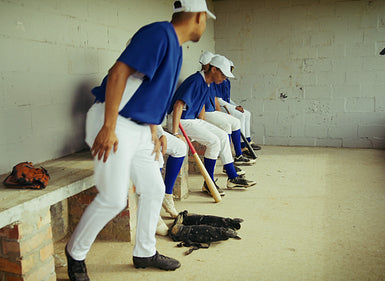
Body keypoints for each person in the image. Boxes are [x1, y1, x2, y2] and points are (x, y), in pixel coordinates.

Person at [65, 1, 215, 280]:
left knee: (154, 188)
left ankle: (145, 252)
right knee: (113, 198)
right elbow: (118, 73)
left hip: (139, 127)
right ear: (198, 16)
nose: (205, 24)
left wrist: (156, 131)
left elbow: (146, 93)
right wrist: (109, 127)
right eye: (205, 19)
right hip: (113, 120)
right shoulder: (160, 33)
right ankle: (75, 254)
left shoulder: (176, 48)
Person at [168, 55, 256, 198]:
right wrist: (175, 132)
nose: (224, 78)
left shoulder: (206, 82)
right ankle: (208, 184)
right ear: (213, 69)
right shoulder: (195, 80)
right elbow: (178, 105)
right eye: (223, 74)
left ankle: (232, 177)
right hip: (180, 120)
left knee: (221, 135)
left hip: (192, 119)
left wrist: (203, 124)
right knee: (214, 141)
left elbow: (201, 106)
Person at [200, 53, 256, 165]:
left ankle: (239, 153)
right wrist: (202, 121)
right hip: (205, 113)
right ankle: (229, 161)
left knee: (235, 121)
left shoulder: (210, 80)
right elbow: (200, 103)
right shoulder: (200, 79)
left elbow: (215, 98)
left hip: (213, 110)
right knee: (226, 126)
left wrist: (222, 114)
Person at [216, 59, 261, 153]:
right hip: (222, 107)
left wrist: (236, 105)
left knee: (247, 113)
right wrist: (234, 108)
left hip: (227, 105)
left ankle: (248, 140)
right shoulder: (217, 80)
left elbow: (228, 98)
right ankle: (242, 145)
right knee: (240, 116)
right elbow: (218, 100)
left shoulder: (227, 81)